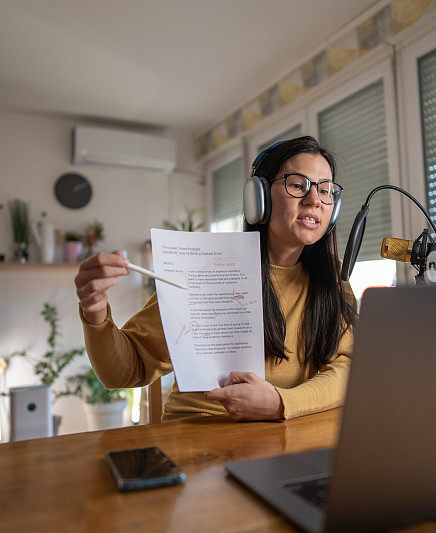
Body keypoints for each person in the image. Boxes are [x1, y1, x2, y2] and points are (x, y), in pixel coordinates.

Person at [75, 136, 357, 421]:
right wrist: (95, 312)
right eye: (298, 185)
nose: (315, 201)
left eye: (326, 190)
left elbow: (348, 366)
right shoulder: (206, 268)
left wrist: (281, 403)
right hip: (200, 438)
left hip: (286, 439)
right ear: (258, 198)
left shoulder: (333, 277)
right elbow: (125, 370)